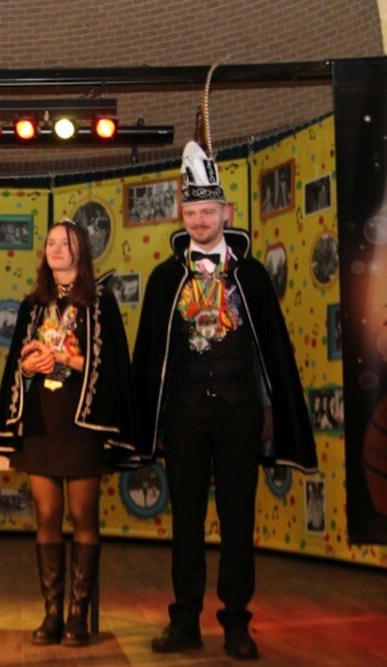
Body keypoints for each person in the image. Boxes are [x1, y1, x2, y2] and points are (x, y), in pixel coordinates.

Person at [132, 138, 318, 661]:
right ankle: (185, 621)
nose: (199, 221)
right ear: (183, 216)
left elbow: (272, 350)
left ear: (226, 213)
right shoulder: (165, 278)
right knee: (186, 522)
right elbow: (151, 355)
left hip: (239, 413)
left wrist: (268, 409)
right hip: (185, 414)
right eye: (191, 213)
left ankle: (237, 623)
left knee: (239, 520)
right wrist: (156, 419)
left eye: (208, 212)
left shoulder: (251, 276)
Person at [0, 220, 145, 648]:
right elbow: (17, 367)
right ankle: (52, 613)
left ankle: (78, 614)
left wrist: (68, 360)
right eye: (51, 243)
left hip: (83, 424)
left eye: (65, 242)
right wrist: (29, 366)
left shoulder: (100, 303)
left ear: (82, 250)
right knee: (46, 516)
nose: (56, 249)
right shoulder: (33, 304)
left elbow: (112, 367)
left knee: (83, 516)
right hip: (41, 423)